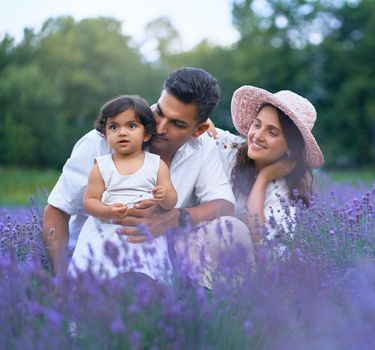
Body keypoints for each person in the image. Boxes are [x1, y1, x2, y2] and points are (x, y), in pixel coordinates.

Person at [43, 67, 253, 281]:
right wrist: (60, 281)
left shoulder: (202, 145)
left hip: (154, 263)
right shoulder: (101, 142)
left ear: (197, 130)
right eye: (160, 112)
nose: (160, 128)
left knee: (232, 230)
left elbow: (224, 205)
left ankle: (215, 306)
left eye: (177, 124)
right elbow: (57, 209)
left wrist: (175, 218)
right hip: (97, 258)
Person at [69, 95, 177, 281]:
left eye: (131, 126)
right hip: (106, 229)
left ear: (146, 134)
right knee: (98, 274)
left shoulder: (156, 165)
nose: (122, 132)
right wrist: (107, 210)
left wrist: (164, 195)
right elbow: (90, 201)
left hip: (141, 233)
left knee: (144, 275)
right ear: (105, 134)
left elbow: (171, 200)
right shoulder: (101, 166)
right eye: (113, 127)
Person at [211, 85, 324, 244]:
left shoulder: (283, 194)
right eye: (257, 125)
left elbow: (259, 242)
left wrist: (263, 179)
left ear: (291, 148)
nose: (257, 136)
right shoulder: (230, 148)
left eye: (272, 132)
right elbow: (192, 129)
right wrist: (200, 120)